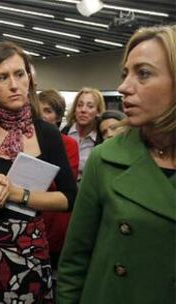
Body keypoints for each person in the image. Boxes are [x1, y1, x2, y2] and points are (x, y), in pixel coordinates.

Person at [57, 25, 176, 304]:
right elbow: (74, 262)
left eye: (143, 74)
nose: (124, 87)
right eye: (125, 74)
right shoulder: (106, 159)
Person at [0, 42, 77, 303]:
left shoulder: (48, 134)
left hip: (28, 245)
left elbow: (68, 199)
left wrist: (16, 193)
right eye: (2, 77)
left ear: (29, 79)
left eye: (20, 74)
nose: (14, 84)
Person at [37, 89, 79, 275]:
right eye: (38, 111)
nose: (42, 116)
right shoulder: (27, 142)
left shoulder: (69, 143)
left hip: (56, 218)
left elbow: (61, 185)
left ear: (58, 116)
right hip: (32, 219)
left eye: (48, 111)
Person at [61, 87, 105, 180]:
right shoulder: (62, 133)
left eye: (90, 106)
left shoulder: (102, 140)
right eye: (80, 105)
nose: (83, 110)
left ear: (98, 112)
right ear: (75, 109)